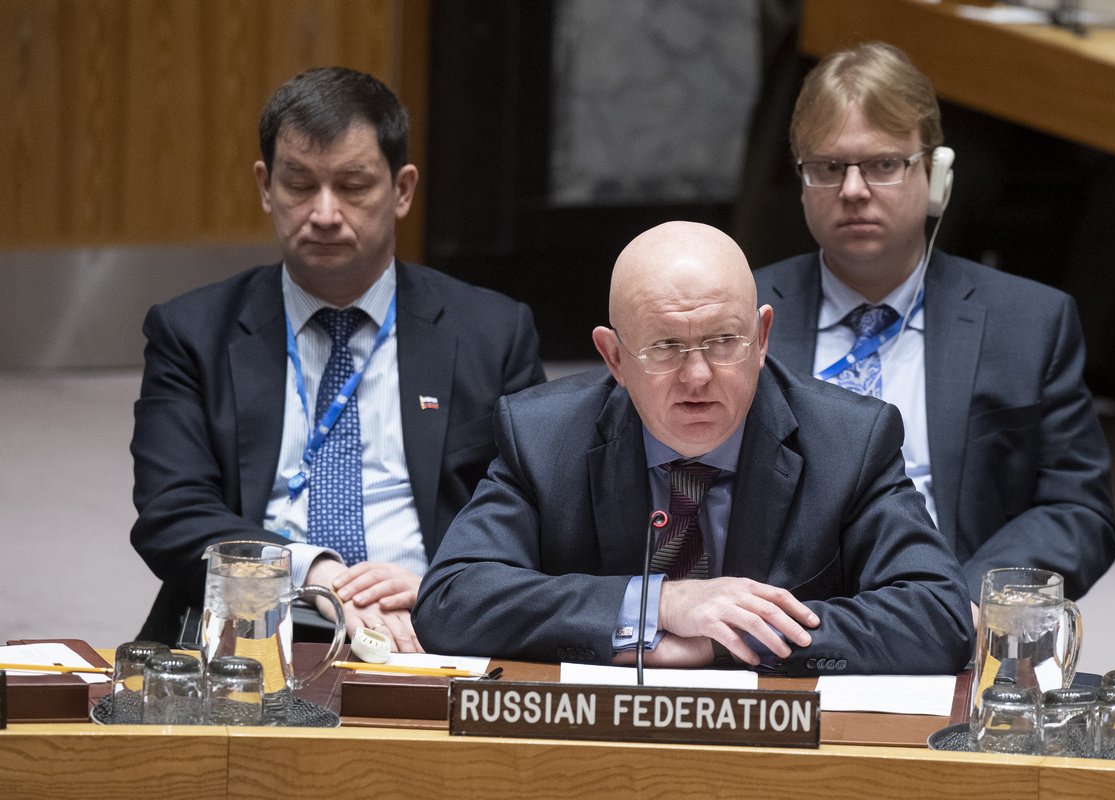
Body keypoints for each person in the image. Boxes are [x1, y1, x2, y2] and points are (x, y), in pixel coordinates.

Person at [412, 221, 973, 675]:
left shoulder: (849, 440)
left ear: (762, 338)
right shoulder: (544, 435)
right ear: (614, 358)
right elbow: (452, 601)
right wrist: (658, 605)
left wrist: (724, 641)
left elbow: (938, 616)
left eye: (724, 341)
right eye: (665, 347)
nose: (698, 376)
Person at [131, 67, 545, 650]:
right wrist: (312, 573)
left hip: (427, 622)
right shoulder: (192, 332)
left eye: (353, 186)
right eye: (299, 185)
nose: (324, 213)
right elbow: (171, 512)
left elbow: (533, 509)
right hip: (251, 625)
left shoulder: (492, 332)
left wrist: (446, 588)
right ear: (266, 186)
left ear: (402, 191)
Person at [753, 42, 1115, 609]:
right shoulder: (739, 315)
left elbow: (1078, 508)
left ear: (937, 174)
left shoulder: (1029, 323)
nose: (853, 190)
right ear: (802, 182)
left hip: (958, 617)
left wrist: (974, 603)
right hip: (783, 624)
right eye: (828, 168)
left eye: (883, 164)